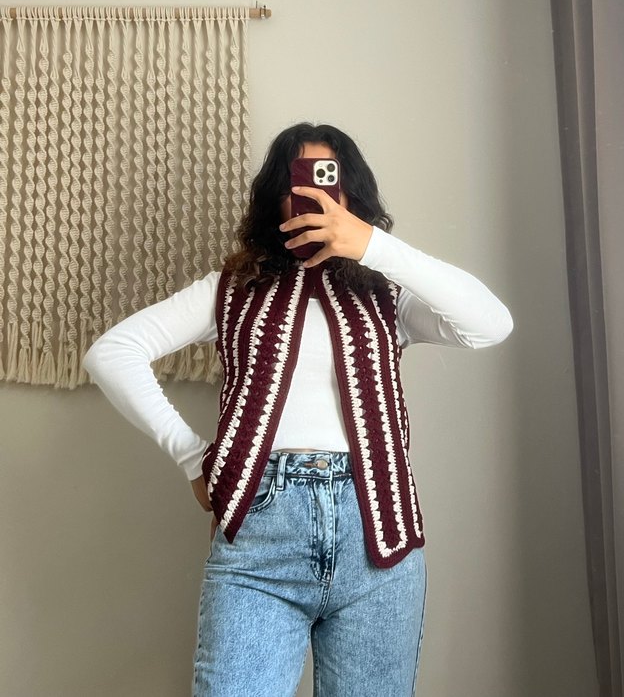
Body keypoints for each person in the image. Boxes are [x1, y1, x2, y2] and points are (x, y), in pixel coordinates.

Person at [82, 122, 514, 697]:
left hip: (379, 533)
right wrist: (191, 457)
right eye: (298, 182)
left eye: (329, 180)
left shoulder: (387, 293)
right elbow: (113, 352)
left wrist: (372, 246)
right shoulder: (231, 289)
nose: (313, 196)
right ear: (275, 198)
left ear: (352, 194)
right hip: (260, 531)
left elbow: (491, 324)